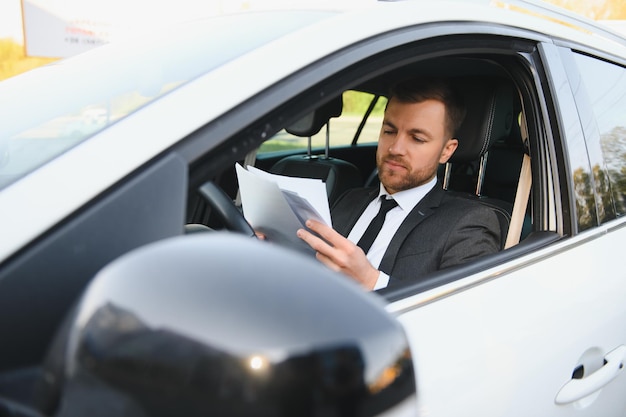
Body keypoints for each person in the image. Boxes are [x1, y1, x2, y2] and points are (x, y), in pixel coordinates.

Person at [296, 77, 501, 291]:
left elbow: (461, 315)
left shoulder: (469, 223)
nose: (395, 148)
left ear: (447, 150)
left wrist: (371, 282)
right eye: (389, 131)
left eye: (417, 138)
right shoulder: (350, 199)